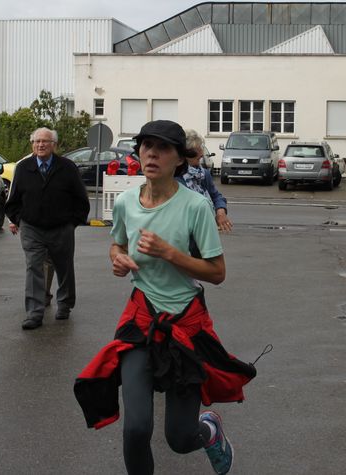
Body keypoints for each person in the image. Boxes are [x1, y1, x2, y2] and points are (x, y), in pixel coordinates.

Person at [74, 120, 256, 475]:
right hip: (141, 322)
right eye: (146, 146)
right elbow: (117, 244)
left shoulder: (196, 207)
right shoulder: (126, 202)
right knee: (136, 428)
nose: (152, 154)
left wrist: (169, 253)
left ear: (179, 159)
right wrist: (118, 259)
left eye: (163, 148)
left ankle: (209, 430)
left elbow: (217, 272)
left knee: (179, 437)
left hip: (185, 326)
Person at [6, 127, 90, 330]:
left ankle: (65, 304)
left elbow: (81, 199)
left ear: (54, 145)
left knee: (64, 267)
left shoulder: (67, 167)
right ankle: (34, 313)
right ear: (32, 145)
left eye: (45, 141)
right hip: (32, 228)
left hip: (61, 228)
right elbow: (13, 200)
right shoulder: (23, 168)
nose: (40, 145)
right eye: (37, 141)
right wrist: (20, 220)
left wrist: (72, 223)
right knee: (33, 267)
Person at [177, 129, 233, 233]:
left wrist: (220, 211)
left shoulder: (203, 174)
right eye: (197, 158)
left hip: (205, 232)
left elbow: (216, 196)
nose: (201, 154)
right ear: (184, 156)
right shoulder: (174, 179)